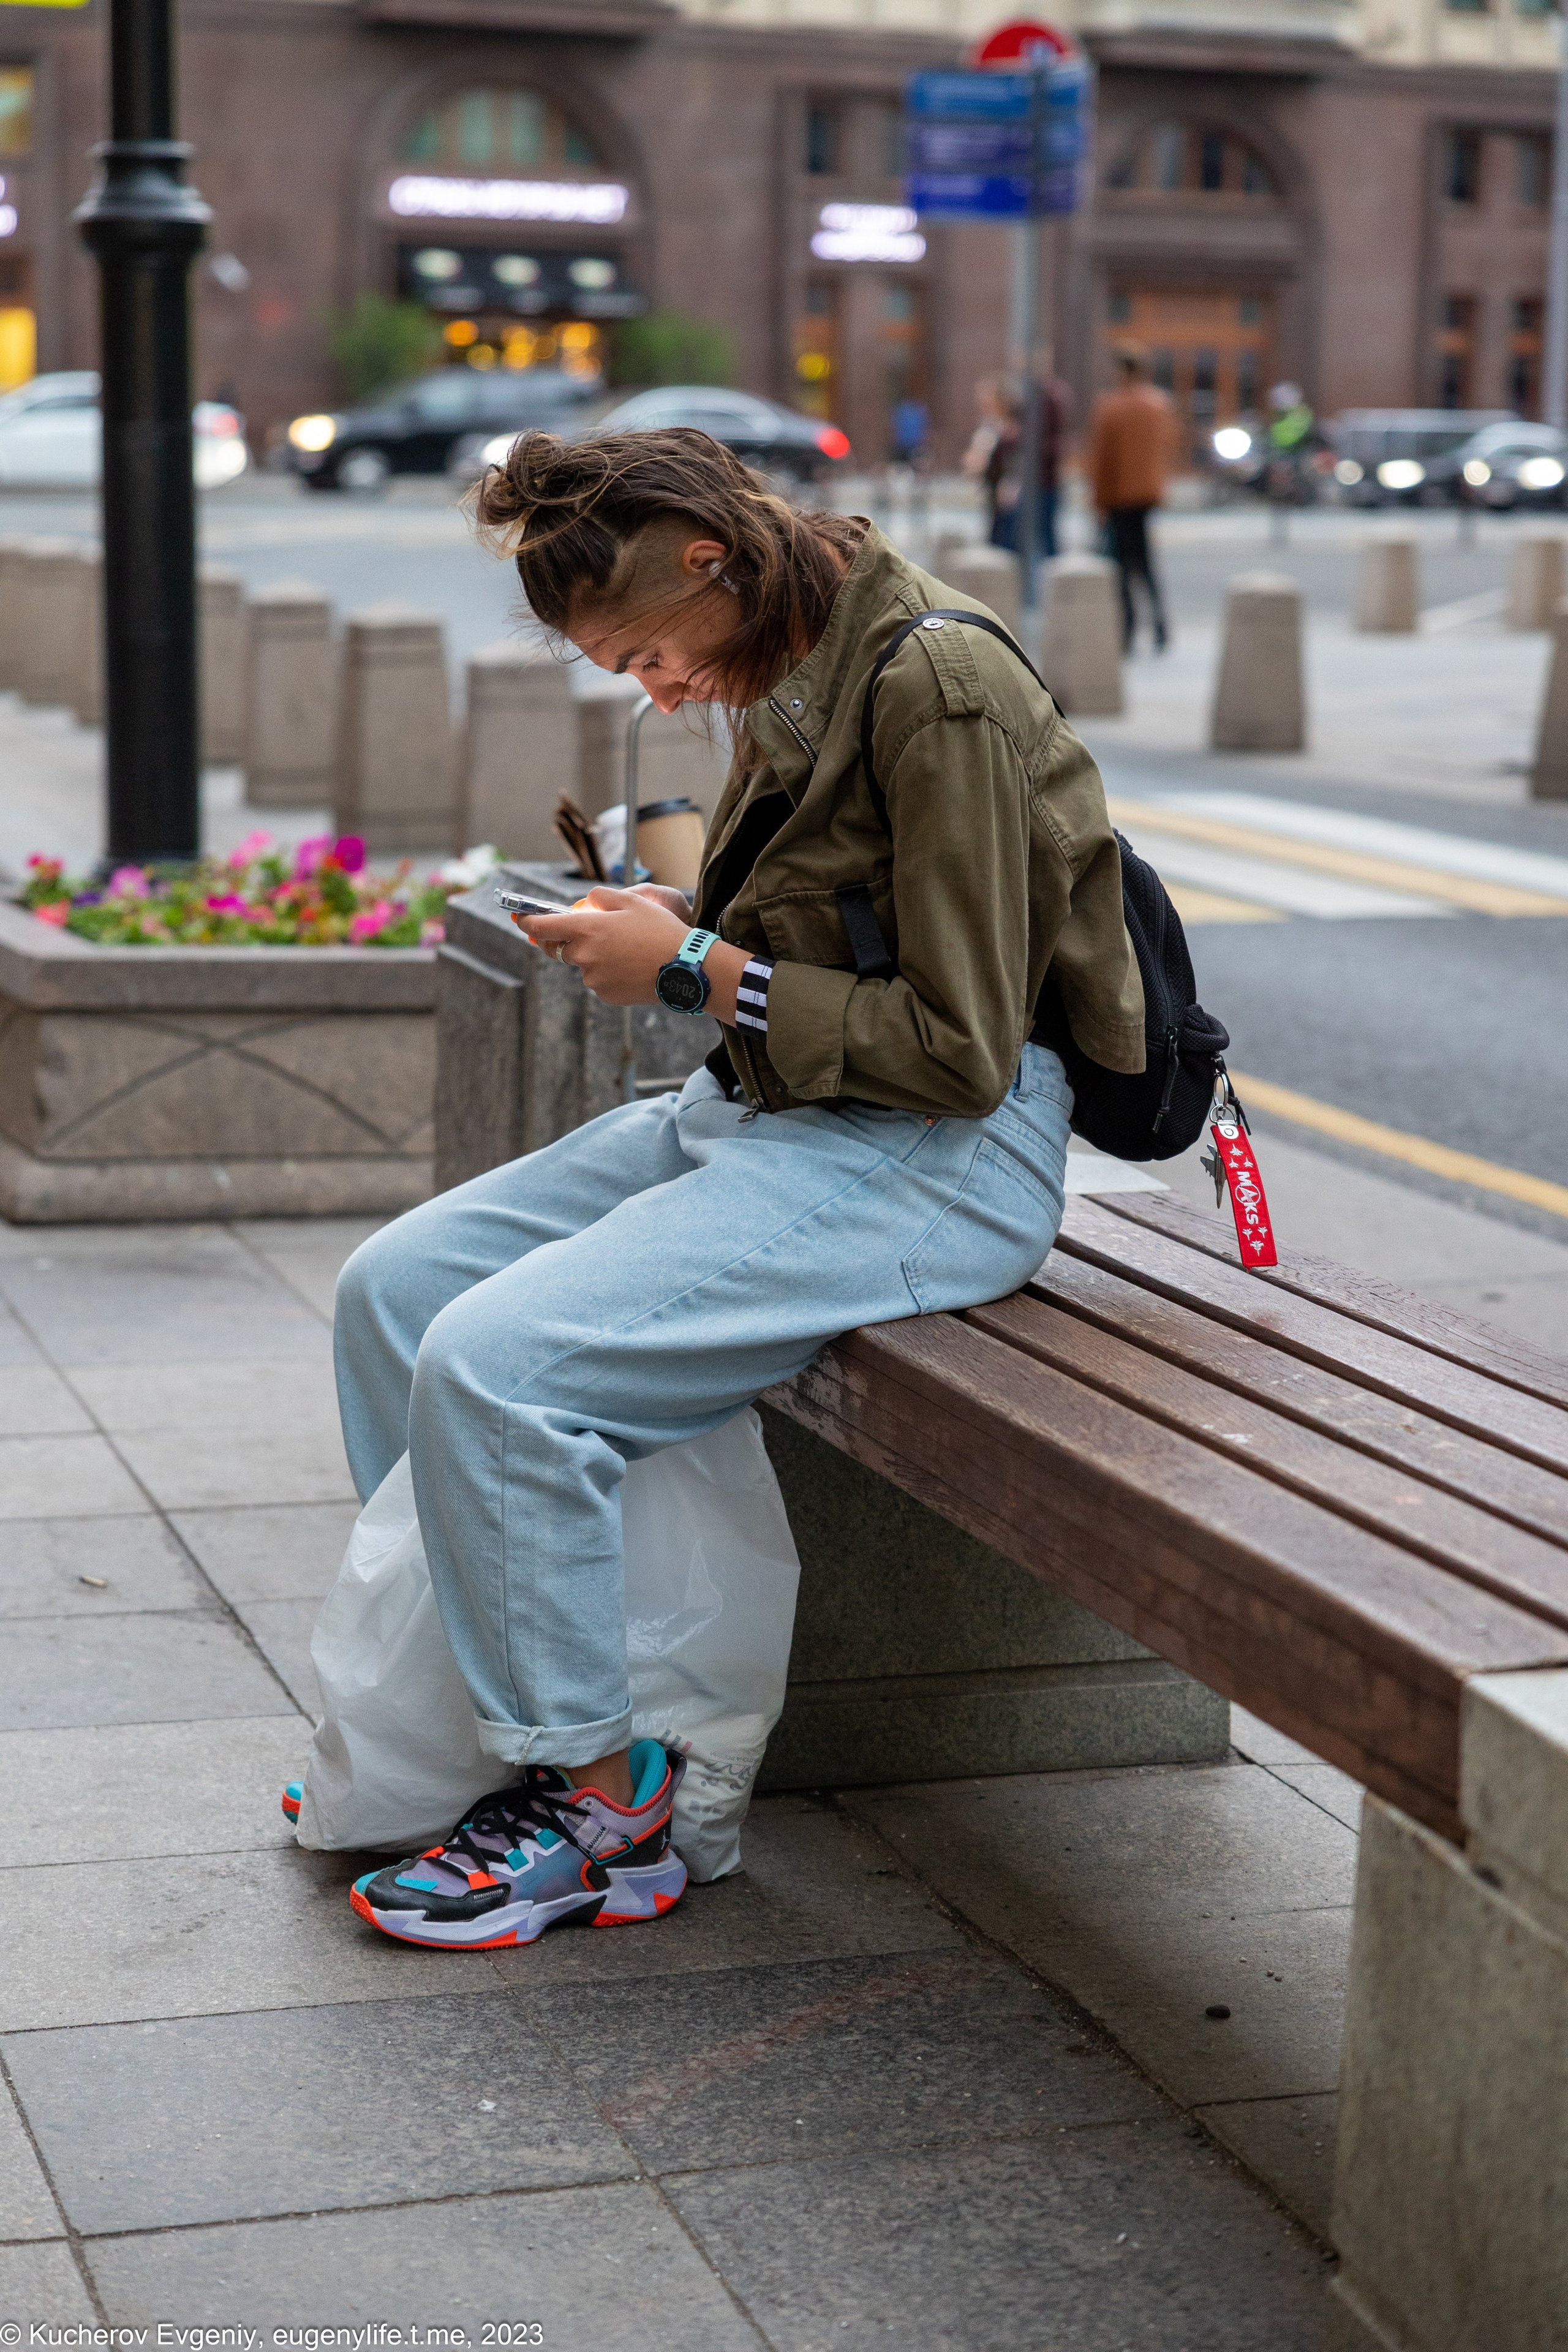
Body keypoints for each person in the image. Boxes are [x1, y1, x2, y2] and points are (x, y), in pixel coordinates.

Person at [330, 428, 1146, 1953]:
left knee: (500, 1371)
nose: (650, 687)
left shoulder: (932, 684)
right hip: (777, 1107)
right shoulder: (791, 639)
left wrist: (697, 967)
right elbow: (837, 918)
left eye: (645, 650)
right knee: (395, 1288)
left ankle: (597, 1804)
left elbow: (958, 1052)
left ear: (708, 559)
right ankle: (486, 1710)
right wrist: (685, 918)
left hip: (935, 1157)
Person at [1088, 346, 1177, 652]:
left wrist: (1098, 502)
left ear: (1123, 372)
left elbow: (1103, 461)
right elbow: (1166, 448)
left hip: (1118, 497)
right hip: (1147, 495)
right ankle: (1161, 625)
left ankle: (1127, 629)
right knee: (1146, 562)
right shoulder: (1160, 405)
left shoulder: (1112, 407)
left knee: (1122, 565)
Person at [986, 363, 1073, 562]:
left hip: (1035, 485)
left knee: (1032, 543)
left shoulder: (1040, 407)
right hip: (1027, 485)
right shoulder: (1020, 416)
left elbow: (1026, 453)